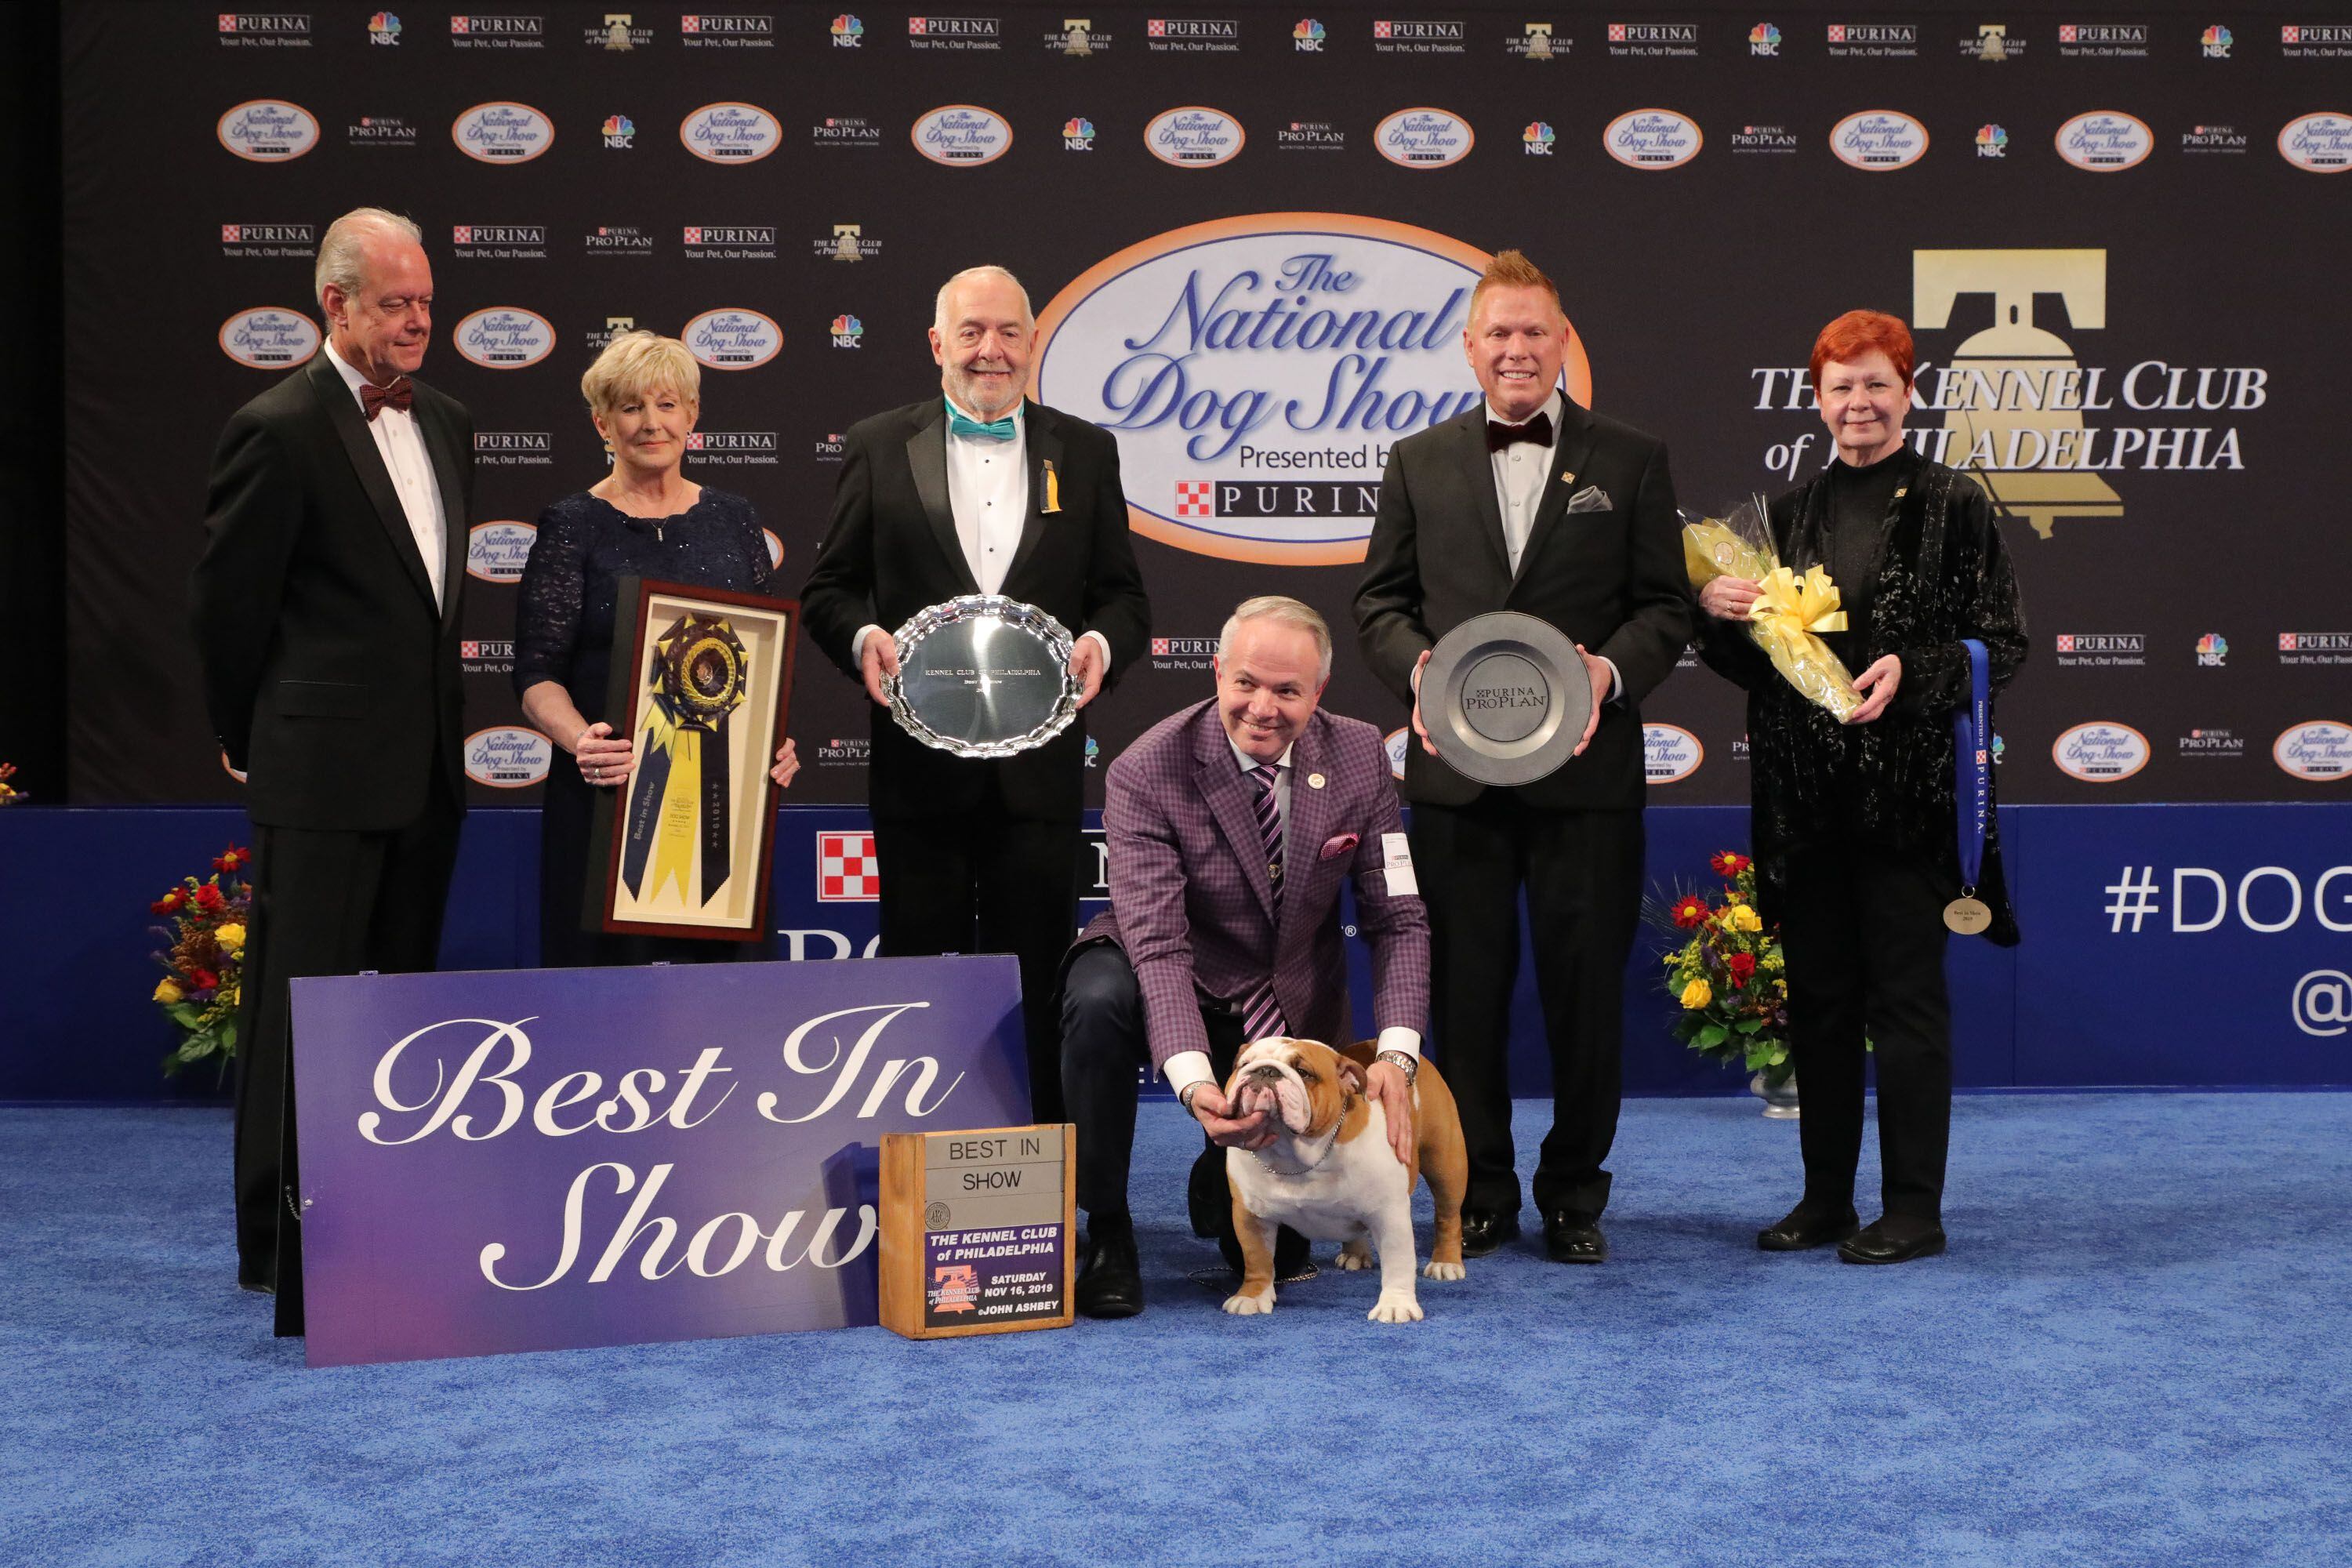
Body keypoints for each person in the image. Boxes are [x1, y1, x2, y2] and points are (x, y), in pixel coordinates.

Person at [1355, 249, 1690, 1266]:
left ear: (1561, 342)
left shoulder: (1630, 459)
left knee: (1587, 997)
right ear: (1470, 346)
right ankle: (1485, 1188)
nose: (1515, 349)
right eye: (1497, 333)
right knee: (1464, 994)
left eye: (1533, 332)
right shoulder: (1418, 461)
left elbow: (1666, 608)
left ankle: (1576, 1194)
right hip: (1457, 781)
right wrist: (1418, 672)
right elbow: (1379, 603)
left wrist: (1607, 673)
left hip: (1587, 784)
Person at [1694, 310, 2026, 1264]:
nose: (1860, 402)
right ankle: (1826, 1199)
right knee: (1824, 1005)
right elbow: (1759, 666)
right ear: (1817, 399)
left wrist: (1912, 672)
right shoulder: (1786, 515)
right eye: (1842, 386)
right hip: (1804, 809)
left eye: (1878, 383)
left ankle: (1915, 1208)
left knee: (1908, 1007)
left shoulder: (1956, 503)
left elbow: (2002, 644)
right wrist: (1715, 615)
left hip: (1907, 808)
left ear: (1909, 393)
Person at [191, 208, 471, 1334]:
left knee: (394, 1010)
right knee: (295, 1015)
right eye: (396, 303)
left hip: (426, 777)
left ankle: (380, 1221)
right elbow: (227, 609)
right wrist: (250, 737)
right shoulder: (277, 426)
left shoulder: (448, 418)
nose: (417, 322)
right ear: (336, 306)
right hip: (316, 774)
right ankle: (273, 1242)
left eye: (426, 303)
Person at [800, 265, 1150, 1123]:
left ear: (1032, 344)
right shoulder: (879, 443)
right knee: (920, 974)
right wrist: (861, 638)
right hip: (918, 773)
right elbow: (830, 590)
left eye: (1008, 333)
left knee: (1036, 971)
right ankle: (913, 1155)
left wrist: (1100, 642)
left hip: (1040, 776)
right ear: (936, 345)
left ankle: (1032, 1166)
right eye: (970, 332)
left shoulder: (1087, 448)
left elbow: (1123, 596)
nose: (990, 350)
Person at [1060, 597, 1430, 1318]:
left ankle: (1217, 1176)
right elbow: (1159, 944)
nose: (1263, 708)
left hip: (1284, 999)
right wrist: (1200, 1090)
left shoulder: (1358, 753)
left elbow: (1400, 918)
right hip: (1172, 971)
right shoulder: (1147, 768)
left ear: (1318, 693)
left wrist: (1397, 1057)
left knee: (1278, 1257)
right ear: (1218, 673)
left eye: (1288, 691)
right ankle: (1106, 1226)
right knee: (1098, 997)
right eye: (1246, 684)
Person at [513, 331, 799, 967]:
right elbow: (536, 673)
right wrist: (581, 741)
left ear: (692, 416)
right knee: (606, 1002)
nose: (651, 424)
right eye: (631, 407)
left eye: (668, 406)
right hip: (609, 801)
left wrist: (772, 739)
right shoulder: (571, 523)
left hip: (725, 809)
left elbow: (761, 657)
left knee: (730, 1001)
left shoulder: (735, 518)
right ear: (602, 422)